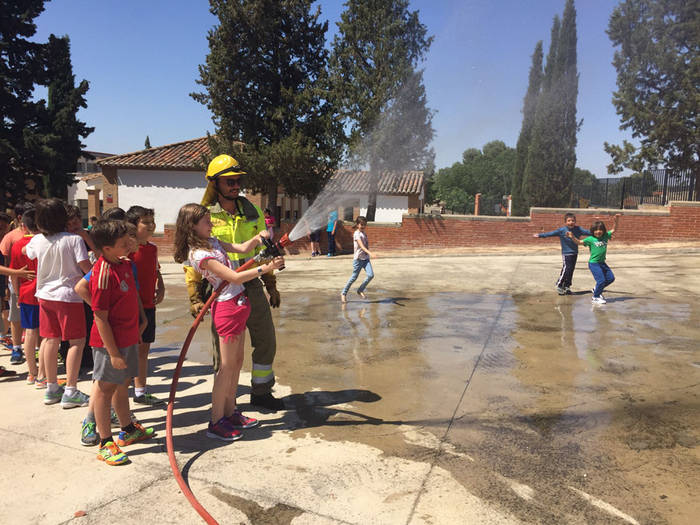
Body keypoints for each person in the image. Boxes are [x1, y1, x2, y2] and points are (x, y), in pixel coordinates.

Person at [185, 154, 285, 411]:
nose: (235, 185)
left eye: (237, 180)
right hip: (220, 289)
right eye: (229, 181)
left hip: (251, 282)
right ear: (215, 184)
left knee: (265, 339)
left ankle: (261, 392)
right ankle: (225, 402)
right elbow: (195, 259)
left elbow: (263, 248)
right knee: (225, 350)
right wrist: (195, 296)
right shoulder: (205, 215)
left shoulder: (251, 211)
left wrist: (271, 284)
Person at [175, 203, 284, 439]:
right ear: (192, 226)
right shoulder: (199, 254)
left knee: (236, 363)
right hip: (226, 309)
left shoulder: (212, 242)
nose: (211, 224)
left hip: (239, 304)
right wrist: (266, 268)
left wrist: (257, 238)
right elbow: (234, 277)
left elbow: (241, 248)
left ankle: (231, 411)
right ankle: (216, 420)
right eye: (206, 221)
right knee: (225, 368)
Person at [88, 219, 154, 464]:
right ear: (106, 249)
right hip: (110, 344)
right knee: (105, 390)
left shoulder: (123, 263)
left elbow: (132, 294)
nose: (128, 245)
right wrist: (113, 353)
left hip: (128, 337)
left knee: (122, 384)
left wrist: (141, 319)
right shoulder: (103, 272)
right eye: (122, 243)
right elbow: (100, 317)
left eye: (129, 240)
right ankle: (106, 442)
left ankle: (127, 429)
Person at [24, 198, 92, 408]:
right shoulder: (73, 240)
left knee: (50, 339)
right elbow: (86, 268)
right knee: (76, 342)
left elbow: (25, 252)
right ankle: (70, 390)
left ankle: (51, 387)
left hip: (44, 295)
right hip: (68, 297)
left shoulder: (37, 240)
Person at [126, 206, 166, 405]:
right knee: (129, 352)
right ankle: (121, 395)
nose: (151, 226)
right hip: (132, 309)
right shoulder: (127, 251)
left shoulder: (152, 248)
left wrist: (162, 286)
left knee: (144, 350)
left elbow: (155, 270)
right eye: (146, 222)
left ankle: (141, 391)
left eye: (152, 221)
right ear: (133, 225)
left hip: (149, 306)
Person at [9, 208, 40, 381]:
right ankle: (44, 371)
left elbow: (14, 273)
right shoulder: (47, 241)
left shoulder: (18, 245)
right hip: (46, 293)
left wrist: (18, 293)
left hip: (27, 293)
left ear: (24, 225)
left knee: (30, 332)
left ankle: (32, 372)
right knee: (46, 334)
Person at [567, 214, 621, 305]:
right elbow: (579, 242)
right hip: (594, 263)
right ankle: (595, 297)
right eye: (596, 230)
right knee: (601, 280)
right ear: (592, 231)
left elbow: (614, 229)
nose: (598, 232)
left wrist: (616, 221)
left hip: (602, 263)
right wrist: (572, 237)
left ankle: (596, 289)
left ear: (603, 230)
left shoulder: (605, 236)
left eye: (600, 230)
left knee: (611, 278)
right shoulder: (590, 239)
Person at [533, 212, 590, 294]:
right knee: (566, 269)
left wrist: (601, 234)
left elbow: (589, 232)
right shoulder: (562, 230)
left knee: (571, 270)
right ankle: (559, 284)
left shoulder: (578, 229)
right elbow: (550, 234)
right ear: (565, 222)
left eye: (573, 220)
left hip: (574, 253)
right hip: (566, 253)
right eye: (569, 221)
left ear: (575, 221)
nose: (571, 222)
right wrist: (540, 235)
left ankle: (567, 286)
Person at [1, 203, 30, 361]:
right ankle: (17, 348)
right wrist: (6, 285)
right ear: (20, 218)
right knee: (15, 316)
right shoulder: (10, 237)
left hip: (33, 283)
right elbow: (5, 261)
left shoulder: (38, 235)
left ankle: (35, 348)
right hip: (15, 282)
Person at [340, 216, 374, 303]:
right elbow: (361, 246)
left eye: (364, 225)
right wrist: (370, 253)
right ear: (358, 224)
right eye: (361, 224)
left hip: (366, 259)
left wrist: (368, 254)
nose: (363, 226)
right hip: (358, 260)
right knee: (354, 278)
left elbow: (366, 245)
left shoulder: (364, 234)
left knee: (370, 275)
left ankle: (360, 290)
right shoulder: (356, 234)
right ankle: (343, 293)